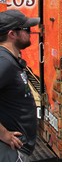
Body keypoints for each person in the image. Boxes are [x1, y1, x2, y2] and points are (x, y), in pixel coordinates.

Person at [0, 10, 40, 161]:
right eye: (26, 29)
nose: (30, 33)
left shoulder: (9, 59)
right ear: (12, 34)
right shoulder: (4, 62)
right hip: (12, 152)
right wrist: (4, 134)